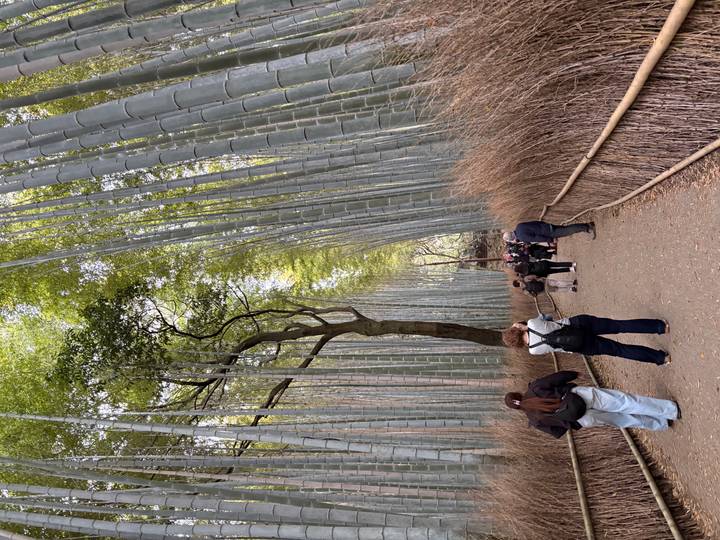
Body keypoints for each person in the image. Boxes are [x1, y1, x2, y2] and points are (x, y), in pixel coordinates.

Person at [505, 370, 679, 438]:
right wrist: (574, 375)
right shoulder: (534, 389)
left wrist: (565, 417)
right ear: (518, 394)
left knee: (624, 420)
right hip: (580, 397)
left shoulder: (535, 421)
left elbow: (558, 432)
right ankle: (669, 410)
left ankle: (662, 424)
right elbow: (557, 378)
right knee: (626, 402)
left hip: (581, 419)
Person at [501, 314, 670, 365]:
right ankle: (659, 327)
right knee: (619, 325)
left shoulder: (533, 351)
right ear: (514, 329)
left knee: (620, 350)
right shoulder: (531, 323)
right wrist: (522, 326)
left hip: (580, 345)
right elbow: (548, 317)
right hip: (579, 324)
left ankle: (660, 358)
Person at [503, 220, 595, 244]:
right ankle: (586, 226)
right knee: (566, 228)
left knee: (568, 231)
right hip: (546, 226)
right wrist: (543, 223)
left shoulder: (522, 237)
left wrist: (550, 240)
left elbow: (537, 238)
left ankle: (588, 226)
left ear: (511, 239)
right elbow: (534, 222)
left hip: (548, 233)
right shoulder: (519, 226)